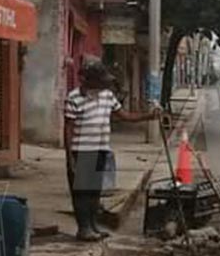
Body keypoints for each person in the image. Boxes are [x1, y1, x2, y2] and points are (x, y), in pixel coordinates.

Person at [64, 57, 160, 241]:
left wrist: (149, 116)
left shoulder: (107, 96)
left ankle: (93, 227)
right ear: (88, 80)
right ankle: (84, 229)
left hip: (101, 149)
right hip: (82, 151)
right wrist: (70, 157)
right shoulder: (74, 98)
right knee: (82, 193)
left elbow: (124, 116)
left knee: (94, 192)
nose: (102, 85)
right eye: (99, 82)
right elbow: (68, 128)